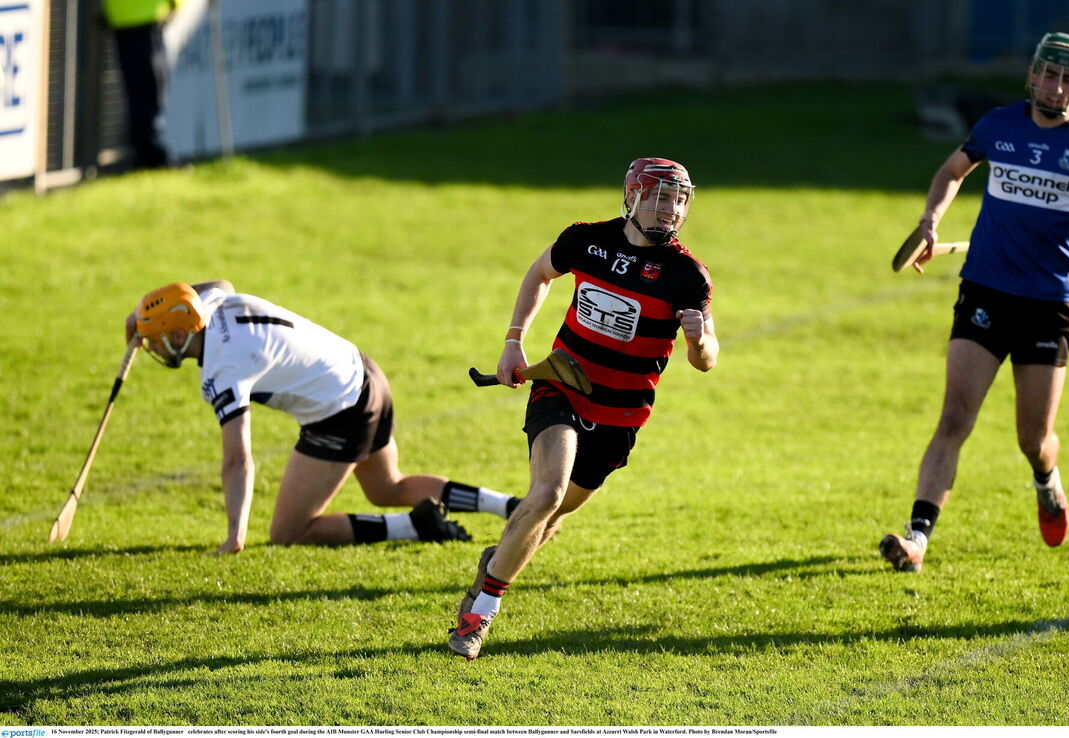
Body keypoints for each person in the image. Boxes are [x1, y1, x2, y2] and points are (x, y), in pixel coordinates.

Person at [879, 32, 1069, 573]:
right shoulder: (998, 126)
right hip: (985, 291)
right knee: (954, 419)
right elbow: (952, 171)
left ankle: (1047, 482)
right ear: (1031, 76)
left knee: (1033, 438)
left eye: (1068, 78)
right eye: (1047, 74)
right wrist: (930, 221)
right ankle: (917, 539)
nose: (1056, 86)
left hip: (1047, 304)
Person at [448, 157, 719, 659]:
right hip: (562, 384)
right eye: (660, 197)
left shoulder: (687, 275)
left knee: (549, 519)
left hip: (622, 414)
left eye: (679, 200)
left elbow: (706, 361)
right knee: (547, 493)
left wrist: (700, 342)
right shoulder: (586, 240)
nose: (671, 209)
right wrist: (513, 341)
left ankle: (497, 563)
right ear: (633, 196)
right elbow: (540, 272)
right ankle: (477, 614)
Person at [127, 281, 521, 554]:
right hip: (367, 374)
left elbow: (238, 459)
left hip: (343, 411)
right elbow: (221, 283)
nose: (154, 348)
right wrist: (144, 312)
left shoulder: (221, 368)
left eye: (157, 339)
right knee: (387, 487)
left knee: (289, 533)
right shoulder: (211, 302)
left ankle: (415, 527)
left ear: (179, 337)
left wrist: (235, 533)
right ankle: (512, 507)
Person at [101, 0, 176, 169]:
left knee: (139, 90)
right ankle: (151, 154)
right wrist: (176, 4)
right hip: (147, 13)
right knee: (151, 88)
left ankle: (145, 151)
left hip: (122, 15)